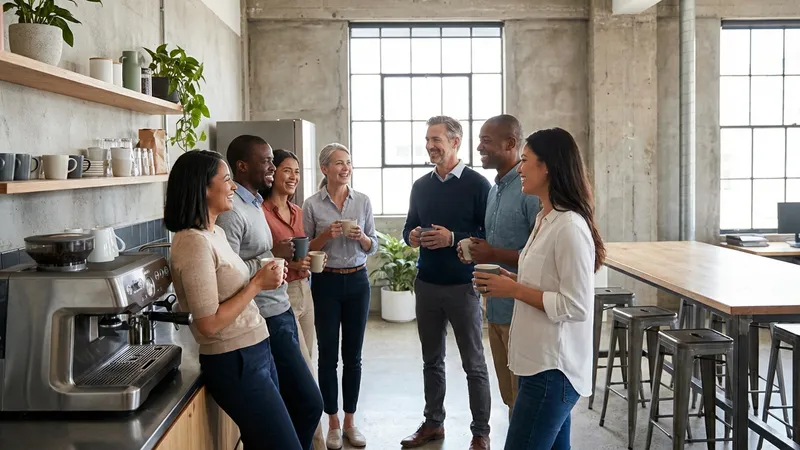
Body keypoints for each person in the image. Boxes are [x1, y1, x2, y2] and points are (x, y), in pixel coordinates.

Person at [472, 128, 604, 450]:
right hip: (537, 365)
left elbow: (576, 305)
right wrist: (510, 279)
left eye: (527, 161)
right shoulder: (547, 218)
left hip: (552, 371)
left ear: (547, 167)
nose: (520, 168)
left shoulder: (570, 227)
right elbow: (547, 283)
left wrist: (514, 291)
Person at [165, 150, 300, 449]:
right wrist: (257, 284)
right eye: (226, 179)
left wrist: (262, 275)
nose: (234, 186)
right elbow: (208, 324)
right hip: (234, 360)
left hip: (255, 349)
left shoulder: (214, 233)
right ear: (203, 188)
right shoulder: (192, 242)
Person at [216, 135, 323, 450]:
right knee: (306, 403)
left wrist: (280, 256)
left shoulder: (251, 205)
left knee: (296, 404)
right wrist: (272, 255)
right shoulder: (232, 211)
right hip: (265, 320)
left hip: (282, 310)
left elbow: (260, 257)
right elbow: (228, 273)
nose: (272, 168)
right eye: (266, 161)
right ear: (242, 165)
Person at [401, 115, 492, 450]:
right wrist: (411, 235)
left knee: (474, 363)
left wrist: (453, 236)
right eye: (427, 140)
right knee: (431, 360)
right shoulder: (420, 186)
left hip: (463, 286)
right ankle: (433, 423)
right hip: (426, 284)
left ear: (456, 142)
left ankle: (481, 431)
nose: (429, 146)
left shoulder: (479, 185)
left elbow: (488, 236)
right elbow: (409, 227)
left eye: (436, 139)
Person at [457, 115, 540, 418]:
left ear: (511, 144)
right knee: (510, 399)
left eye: (486, 141)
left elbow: (541, 257)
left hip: (522, 312)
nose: (479, 146)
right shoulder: (495, 189)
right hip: (495, 309)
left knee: (525, 402)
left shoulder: (530, 191)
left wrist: (493, 252)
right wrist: (478, 251)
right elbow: (500, 246)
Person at [302, 143, 377, 450]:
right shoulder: (311, 205)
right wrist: (326, 236)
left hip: (358, 282)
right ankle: (332, 422)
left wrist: (362, 238)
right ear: (324, 169)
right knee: (328, 357)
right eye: (338, 163)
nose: (345, 168)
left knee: (354, 357)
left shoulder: (362, 200)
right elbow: (305, 247)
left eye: (348, 163)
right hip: (326, 284)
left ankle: (350, 421)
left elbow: (373, 246)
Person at [260, 148, 327, 450]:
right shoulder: (260, 211)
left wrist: (310, 259)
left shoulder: (298, 211)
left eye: (297, 172)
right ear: (273, 173)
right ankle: (313, 443)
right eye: (287, 170)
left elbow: (300, 250)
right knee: (305, 376)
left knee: (306, 363)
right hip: (278, 295)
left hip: (304, 291)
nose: (293, 177)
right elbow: (260, 256)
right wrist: (287, 260)